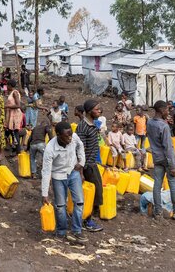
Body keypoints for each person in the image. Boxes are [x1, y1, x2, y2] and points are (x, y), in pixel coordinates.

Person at [41, 122, 87, 243]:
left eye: (71, 135)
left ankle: (77, 230)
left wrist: (81, 162)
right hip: (58, 176)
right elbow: (46, 171)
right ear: (58, 135)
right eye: (67, 136)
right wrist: (44, 193)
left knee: (79, 202)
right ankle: (61, 231)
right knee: (60, 206)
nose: (70, 138)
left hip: (73, 173)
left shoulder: (74, 138)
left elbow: (81, 145)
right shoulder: (50, 148)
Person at [147, 100, 175, 221]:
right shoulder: (164, 126)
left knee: (157, 185)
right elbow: (168, 147)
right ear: (161, 110)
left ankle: (158, 212)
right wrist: (172, 165)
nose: (168, 112)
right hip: (167, 159)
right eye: (167, 110)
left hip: (156, 158)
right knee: (173, 184)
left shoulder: (149, 122)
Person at [75, 99, 104, 232]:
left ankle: (87, 217)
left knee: (97, 191)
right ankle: (86, 220)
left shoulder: (92, 124)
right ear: (89, 111)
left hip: (93, 163)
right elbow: (79, 150)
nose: (100, 111)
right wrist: (80, 171)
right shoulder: (83, 127)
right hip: (86, 166)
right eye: (97, 109)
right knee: (90, 193)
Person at [4, 80, 23, 154]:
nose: (6, 87)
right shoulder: (11, 92)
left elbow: (18, 105)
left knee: (15, 133)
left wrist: (7, 106)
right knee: (11, 132)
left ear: (10, 85)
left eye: (7, 85)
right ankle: (14, 148)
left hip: (15, 114)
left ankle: (18, 152)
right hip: (11, 113)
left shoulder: (15, 93)